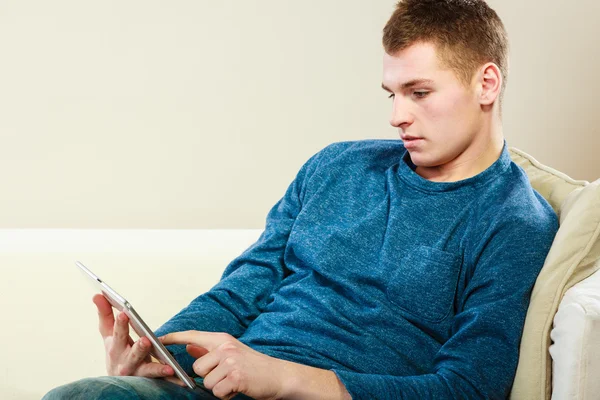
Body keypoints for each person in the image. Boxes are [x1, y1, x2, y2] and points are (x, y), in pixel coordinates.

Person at [43, 0, 559, 399]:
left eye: (419, 92)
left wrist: (282, 379)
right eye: (391, 93)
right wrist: (159, 355)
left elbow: (468, 388)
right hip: (226, 387)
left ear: (486, 83)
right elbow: (242, 289)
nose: (397, 115)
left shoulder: (515, 222)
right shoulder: (337, 166)